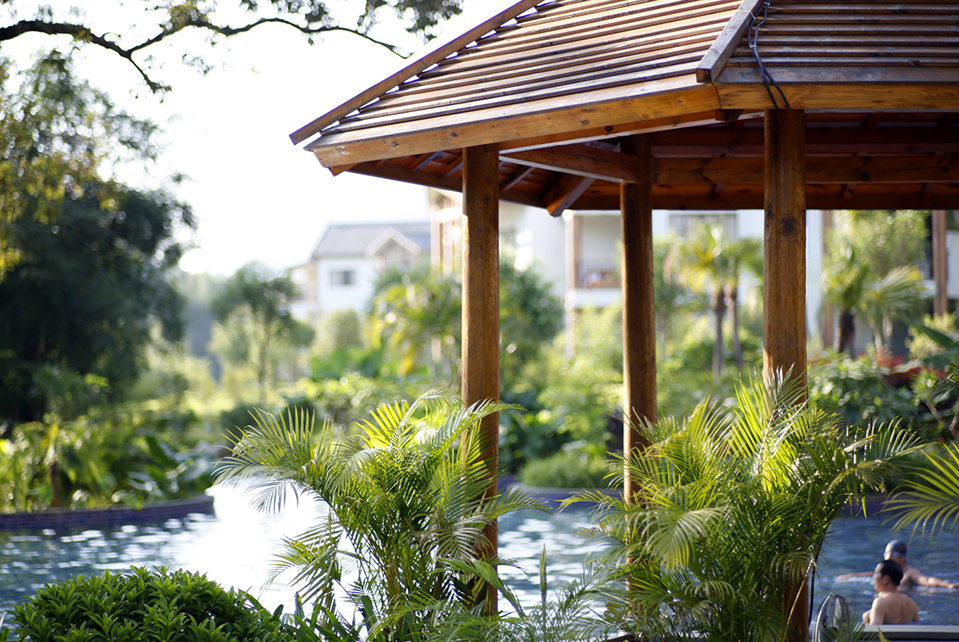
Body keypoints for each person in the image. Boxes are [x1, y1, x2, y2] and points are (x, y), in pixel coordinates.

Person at [836, 539, 959, 590]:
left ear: (902, 558)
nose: (888, 557)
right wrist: (848, 577)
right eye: (887, 553)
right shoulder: (884, 571)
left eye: (893, 554)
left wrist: (948, 585)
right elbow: (870, 574)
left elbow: (927, 580)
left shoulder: (910, 573)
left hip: (904, 598)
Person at [862, 559, 920, 625]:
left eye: (875, 573)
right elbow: (918, 629)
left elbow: (873, 633)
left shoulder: (880, 602)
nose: (873, 577)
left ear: (886, 579)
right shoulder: (911, 603)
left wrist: (866, 622)